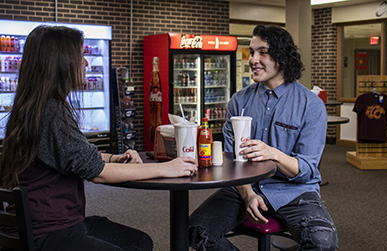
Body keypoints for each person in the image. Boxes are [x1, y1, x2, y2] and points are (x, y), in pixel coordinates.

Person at [0, 25, 197, 251]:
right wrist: (167, 168)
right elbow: (98, 174)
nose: (86, 63)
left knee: (140, 242)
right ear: (60, 63)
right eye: (81, 56)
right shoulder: (51, 113)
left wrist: (113, 158)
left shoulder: (34, 109)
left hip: (42, 226)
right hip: (47, 233)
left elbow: (77, 155)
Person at [189, 25, 338, 250]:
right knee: (195, 232)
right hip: (242, 187)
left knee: (323, 242)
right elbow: (232, 161)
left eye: (263, 52)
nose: (253, 59)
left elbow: (306, 169)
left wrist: (273, 155)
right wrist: (248, 193)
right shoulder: (238, 102)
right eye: (251, 52)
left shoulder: (311, 105)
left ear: (282, 57)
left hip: (293, 190)